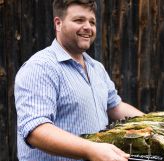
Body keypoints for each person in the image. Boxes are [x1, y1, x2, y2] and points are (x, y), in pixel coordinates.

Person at [14, 0, 144, 161]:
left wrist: (157, 126)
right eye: (79, 20)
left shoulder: (96, 68)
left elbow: (115, 106)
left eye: (92, 22)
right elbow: (36, 131)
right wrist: (90, 150)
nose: (88, 27)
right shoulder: (40, 67)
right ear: (58, 23)